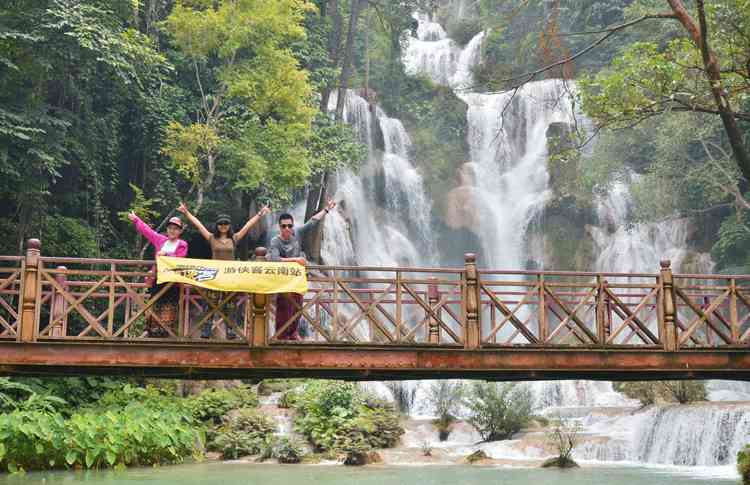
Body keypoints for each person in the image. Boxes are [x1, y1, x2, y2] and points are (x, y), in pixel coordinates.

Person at [177, 202, 271, 338]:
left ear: (229, 226)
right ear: (217, 226)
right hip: (214, 276)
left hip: (229, 277)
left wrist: (260, 214)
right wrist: (186, 213)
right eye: (221, 224)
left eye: (226, 224)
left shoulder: (234, 238)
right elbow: (199, 225)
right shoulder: (211, 238)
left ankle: (231, 330)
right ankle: (206, 330)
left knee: (230, 305)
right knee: (210, 303)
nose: (223, 226)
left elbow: (248, 226)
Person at [269, 198, 337, 340]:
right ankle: (281, 335)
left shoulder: (297, 233)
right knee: (283, 307)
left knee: (297, 306)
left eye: (289, 225)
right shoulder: (275, 241)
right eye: (284, 226)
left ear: (293, 226)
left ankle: (293, 333)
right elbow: (275, 259)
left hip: (297, 278)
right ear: (280, 227)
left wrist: (326, 210)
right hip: (283, 279)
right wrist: (296, 260)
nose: (287, 229)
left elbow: (312, 221)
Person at [128, 211, 188, 338]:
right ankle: (151, 331)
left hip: (173, 282)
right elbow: (148, 231)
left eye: (176, 229)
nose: (172, 231)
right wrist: (136, 219)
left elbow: (180, 259)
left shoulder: (182, 244)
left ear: (180, 231)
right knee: (154, 304)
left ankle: (165, 332)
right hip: (158, 278)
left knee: (169, 307)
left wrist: (166, 254)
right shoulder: (161, 239)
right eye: (170, 228)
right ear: (167, 229)